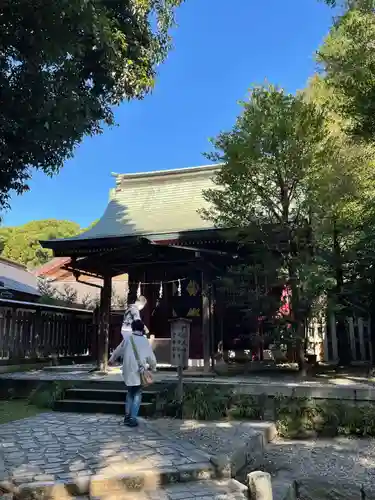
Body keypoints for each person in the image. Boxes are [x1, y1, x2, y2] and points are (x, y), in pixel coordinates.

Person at [108, 319, 157, 427]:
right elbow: (151, 357)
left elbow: (118, 350)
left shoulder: (127, 339)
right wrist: (153, 366)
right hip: (139, 371)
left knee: (130, 392)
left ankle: (127, 416)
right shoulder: (144, 341)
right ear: (142, 329)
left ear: (133, 328)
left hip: (128, 370)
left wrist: (111, 360)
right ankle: (133, 418)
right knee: (138, 393)